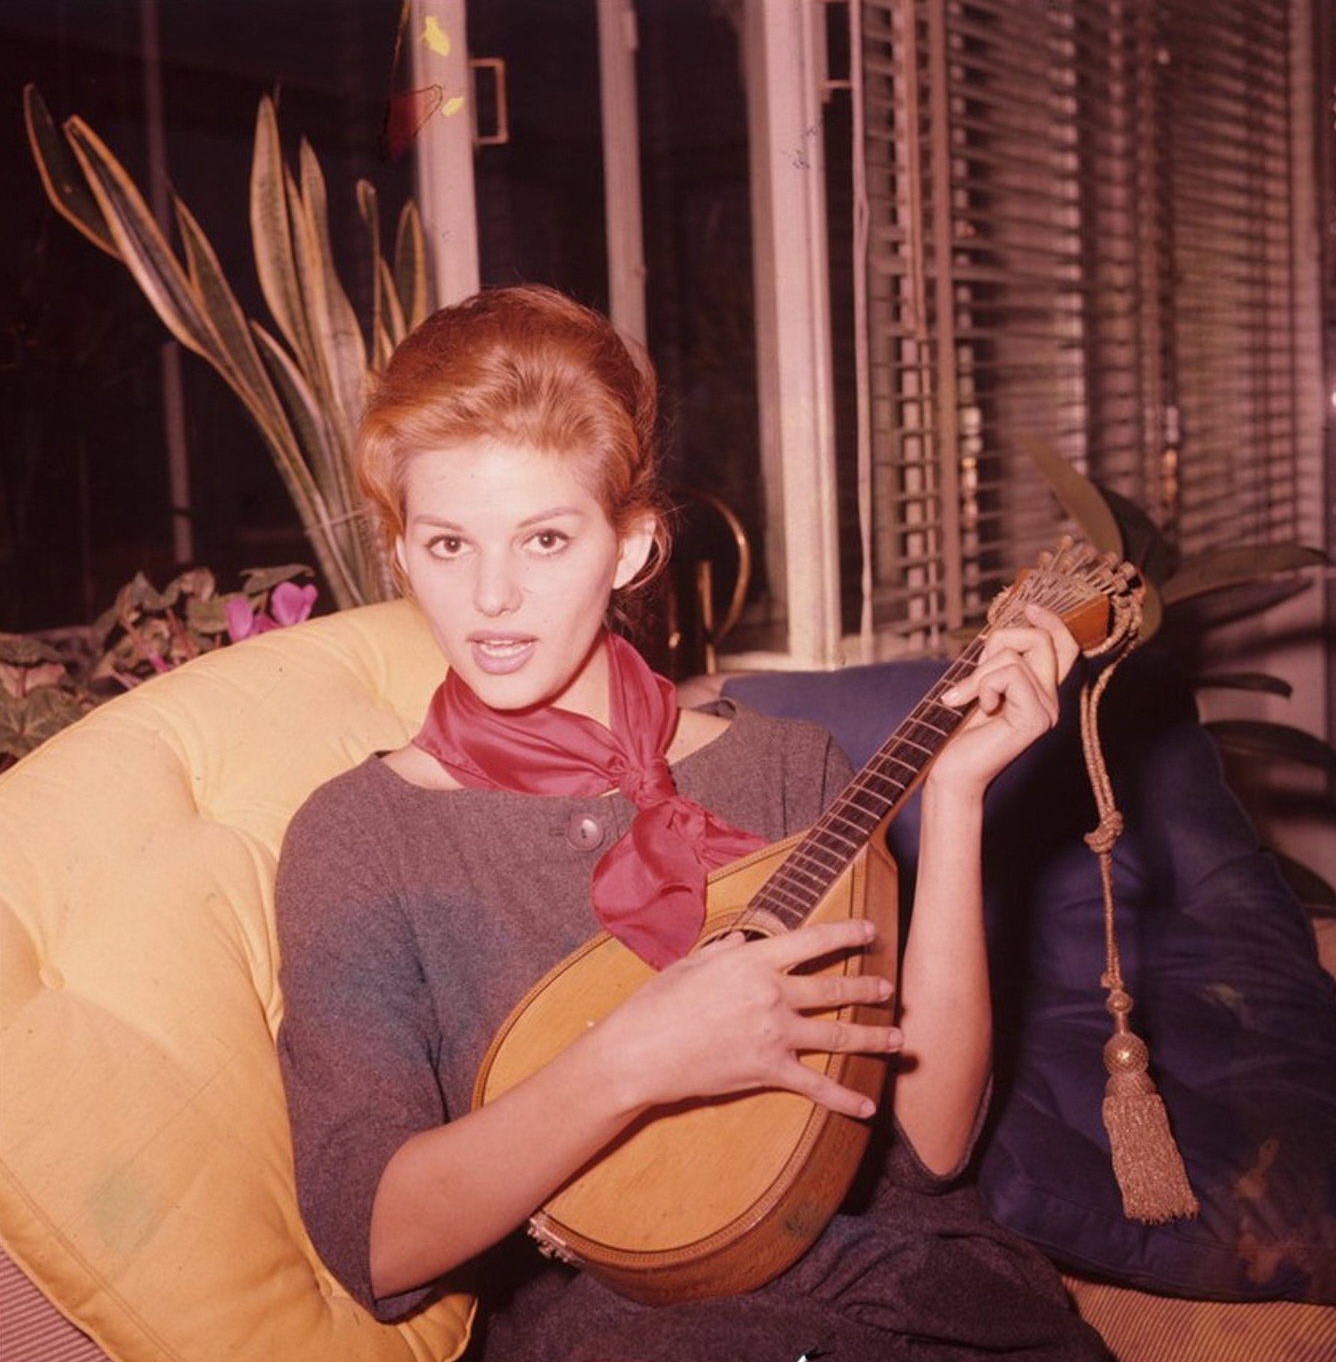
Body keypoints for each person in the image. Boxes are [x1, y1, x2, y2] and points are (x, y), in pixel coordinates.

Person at [274, 284, 1111, 1362]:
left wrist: (953, 803)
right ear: (399, 553)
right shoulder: (361, 837)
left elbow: (930, 1147)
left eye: (543, 539)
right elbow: (377, 1242)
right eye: (447, 545)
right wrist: (632, 1059)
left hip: (916, 1299)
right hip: (631, 1334)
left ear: (629, 546)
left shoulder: (785, 766)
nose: (490, 598)